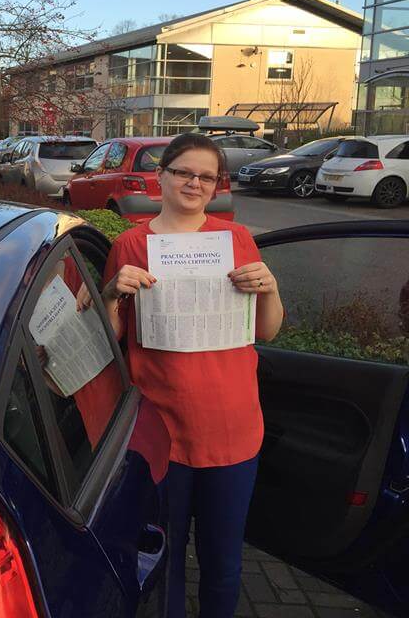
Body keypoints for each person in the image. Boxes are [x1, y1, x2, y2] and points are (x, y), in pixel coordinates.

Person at [100, 133, 284, 618]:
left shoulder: (235, 239)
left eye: (206, 176)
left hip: (233, 432)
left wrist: (270, 288)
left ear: (217, 186)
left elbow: (265, 331)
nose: (194, 183)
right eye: (184, 172)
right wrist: (113, 295)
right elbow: (113, 338)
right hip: (163, 434)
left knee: (223, 564)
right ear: (161, 176)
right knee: (167, 563)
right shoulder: (132, 243)